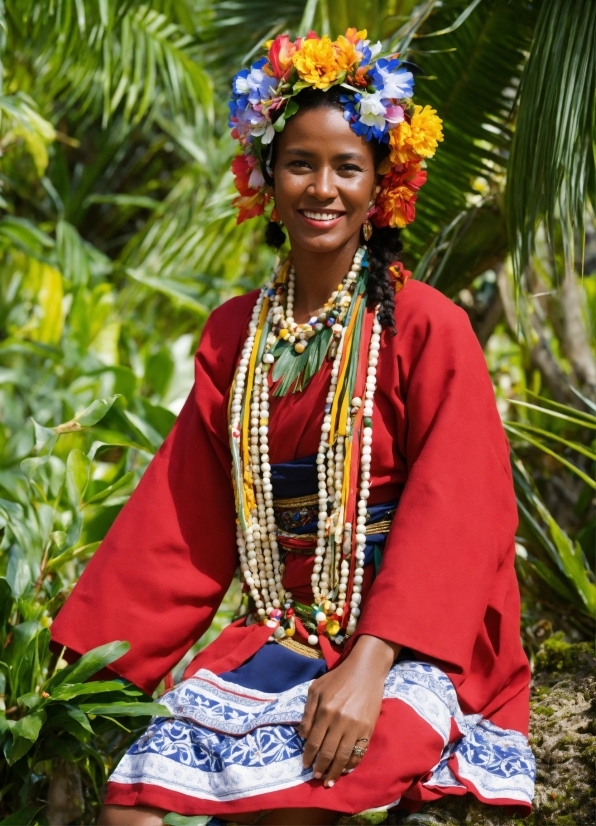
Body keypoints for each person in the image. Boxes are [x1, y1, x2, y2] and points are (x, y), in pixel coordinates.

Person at [51, 29, 536, 826]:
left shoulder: (424, 324)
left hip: (412, 642)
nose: (323, 187)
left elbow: (460, 513)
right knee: (129, 809)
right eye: (299, 163)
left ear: (382, 184)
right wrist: (63, 679)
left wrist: (370, 664)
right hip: (279, 627)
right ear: (265, 176)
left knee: (289, 805)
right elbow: (177, 524)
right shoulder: (233, 334)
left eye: (348, 167)